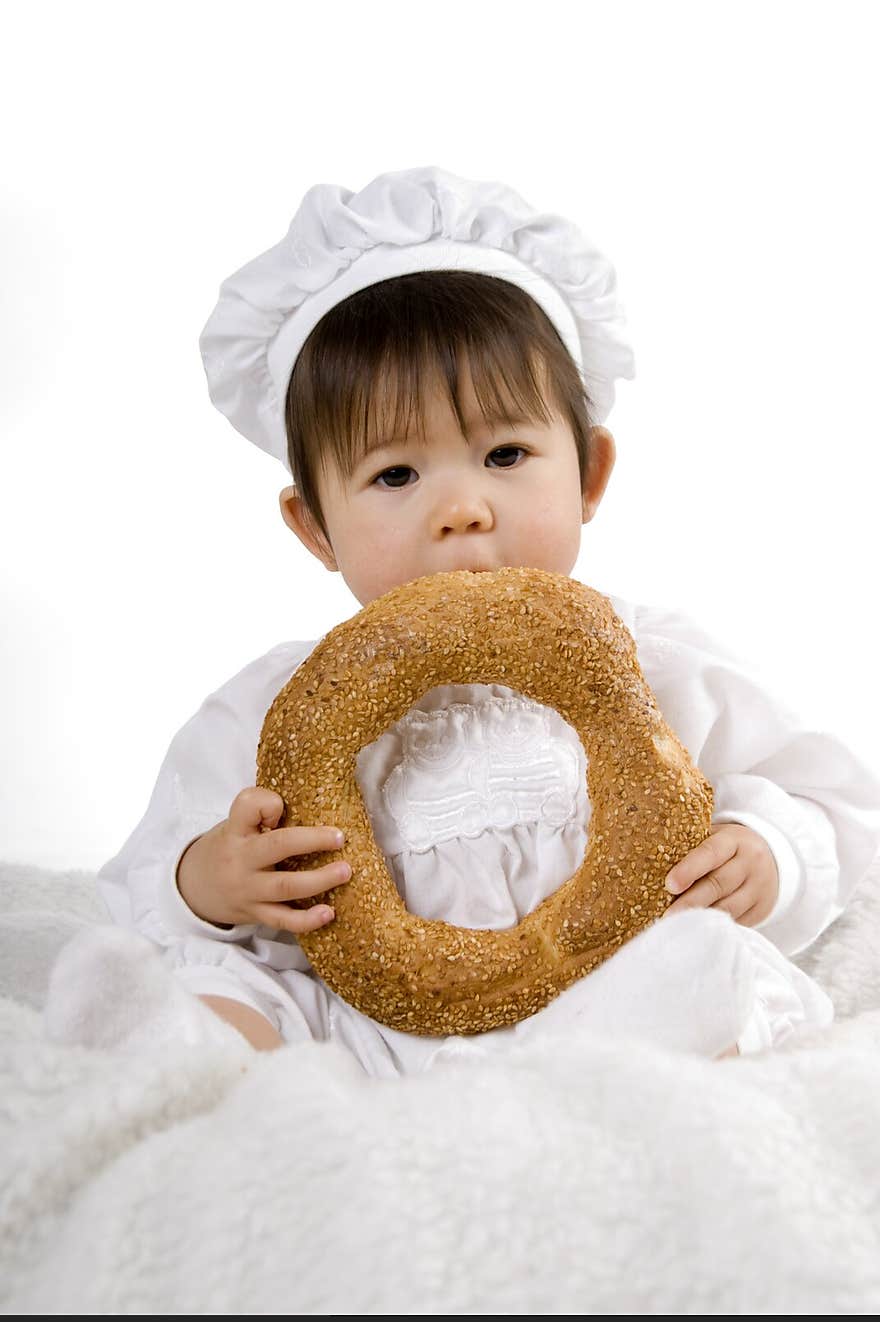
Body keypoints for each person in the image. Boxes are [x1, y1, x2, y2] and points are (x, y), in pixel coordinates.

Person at [94, 167, 880, 1071]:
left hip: (611, 1004)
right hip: (377, 1034)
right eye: (396, 475)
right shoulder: (271, 707)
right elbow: (143, 881)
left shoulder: (648, 658)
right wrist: (211, 881)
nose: (462, 506)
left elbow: (830, 795)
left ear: (588, 476)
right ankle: (191, 1062)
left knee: (708, 961)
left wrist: (768, 851)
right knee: (217, 991)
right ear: (316, 526)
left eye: (506, 453)